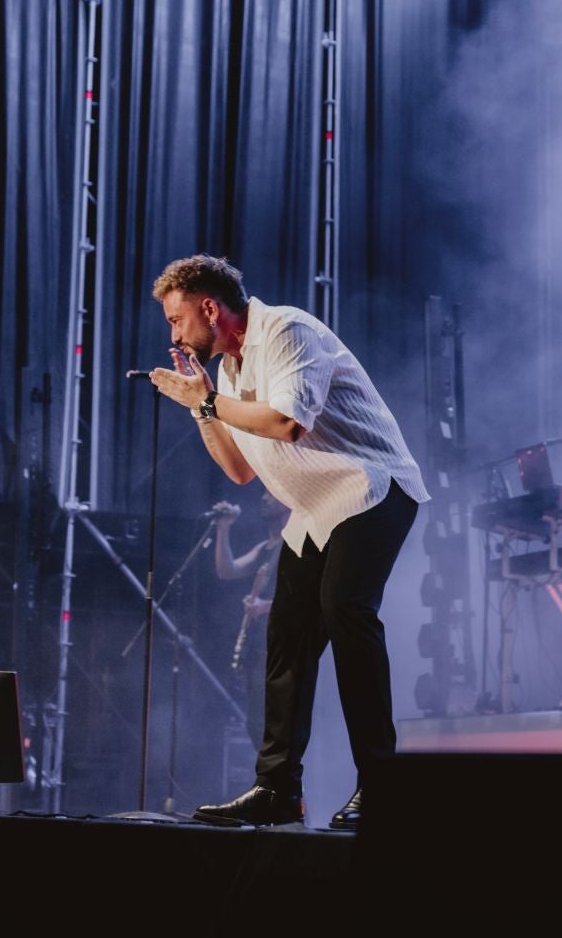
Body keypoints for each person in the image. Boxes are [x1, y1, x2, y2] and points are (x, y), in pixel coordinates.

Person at [146, 254, 427, 830]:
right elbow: (239, 471)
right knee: (288, 639)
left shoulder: (288, 330)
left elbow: (285, 423)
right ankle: (276, 789)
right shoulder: (226, 372)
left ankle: (382, 786)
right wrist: (200, 410)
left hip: (371, 487)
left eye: (177, 321)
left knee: (344, 609)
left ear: (209, 307)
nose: (173, 333)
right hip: (314, 510)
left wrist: (204, 401)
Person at [211, 492, 293, 750]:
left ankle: (285, 786)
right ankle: (273, 784)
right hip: (259, 647)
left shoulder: (294, 545)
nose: (265, 498)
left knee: (275, 724)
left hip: (281, 645)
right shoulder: (265, 547)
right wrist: (223, 529)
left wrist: (263, 606)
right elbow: (227, 570)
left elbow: (306, 599)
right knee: (256, 723)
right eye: (264, 493)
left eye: (273, 494)